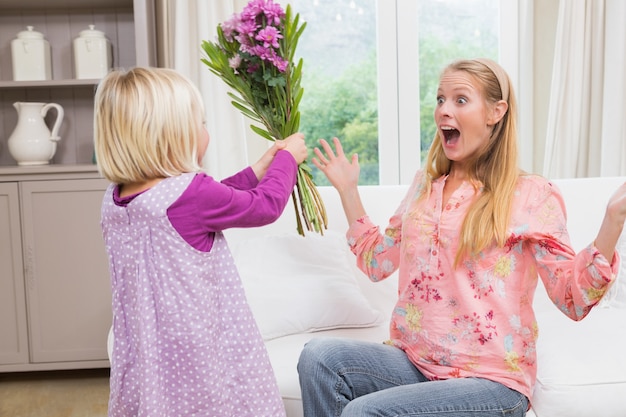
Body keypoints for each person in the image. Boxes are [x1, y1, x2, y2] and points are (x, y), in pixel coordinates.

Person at [298, 58, 626, 417]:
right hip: (417, 365)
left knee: (363, 413)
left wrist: (612, 219)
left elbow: (572, 299)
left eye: (460, 99)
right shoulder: (424, 187)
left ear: (495, 112)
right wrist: (348, 190)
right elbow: (378, 263)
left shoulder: (530, 194)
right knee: (320, 359)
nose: (444, 111)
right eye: (440, 99)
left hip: (491, 382)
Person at [94, 66, 307, 417]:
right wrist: (287, 160)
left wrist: (258, 170)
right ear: (171, 134)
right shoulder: (191, 194)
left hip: (150, 351)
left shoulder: (116, 199)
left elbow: (210, 201)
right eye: (202, 123)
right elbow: (265, 207)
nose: (206, 131)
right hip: (198, 349)